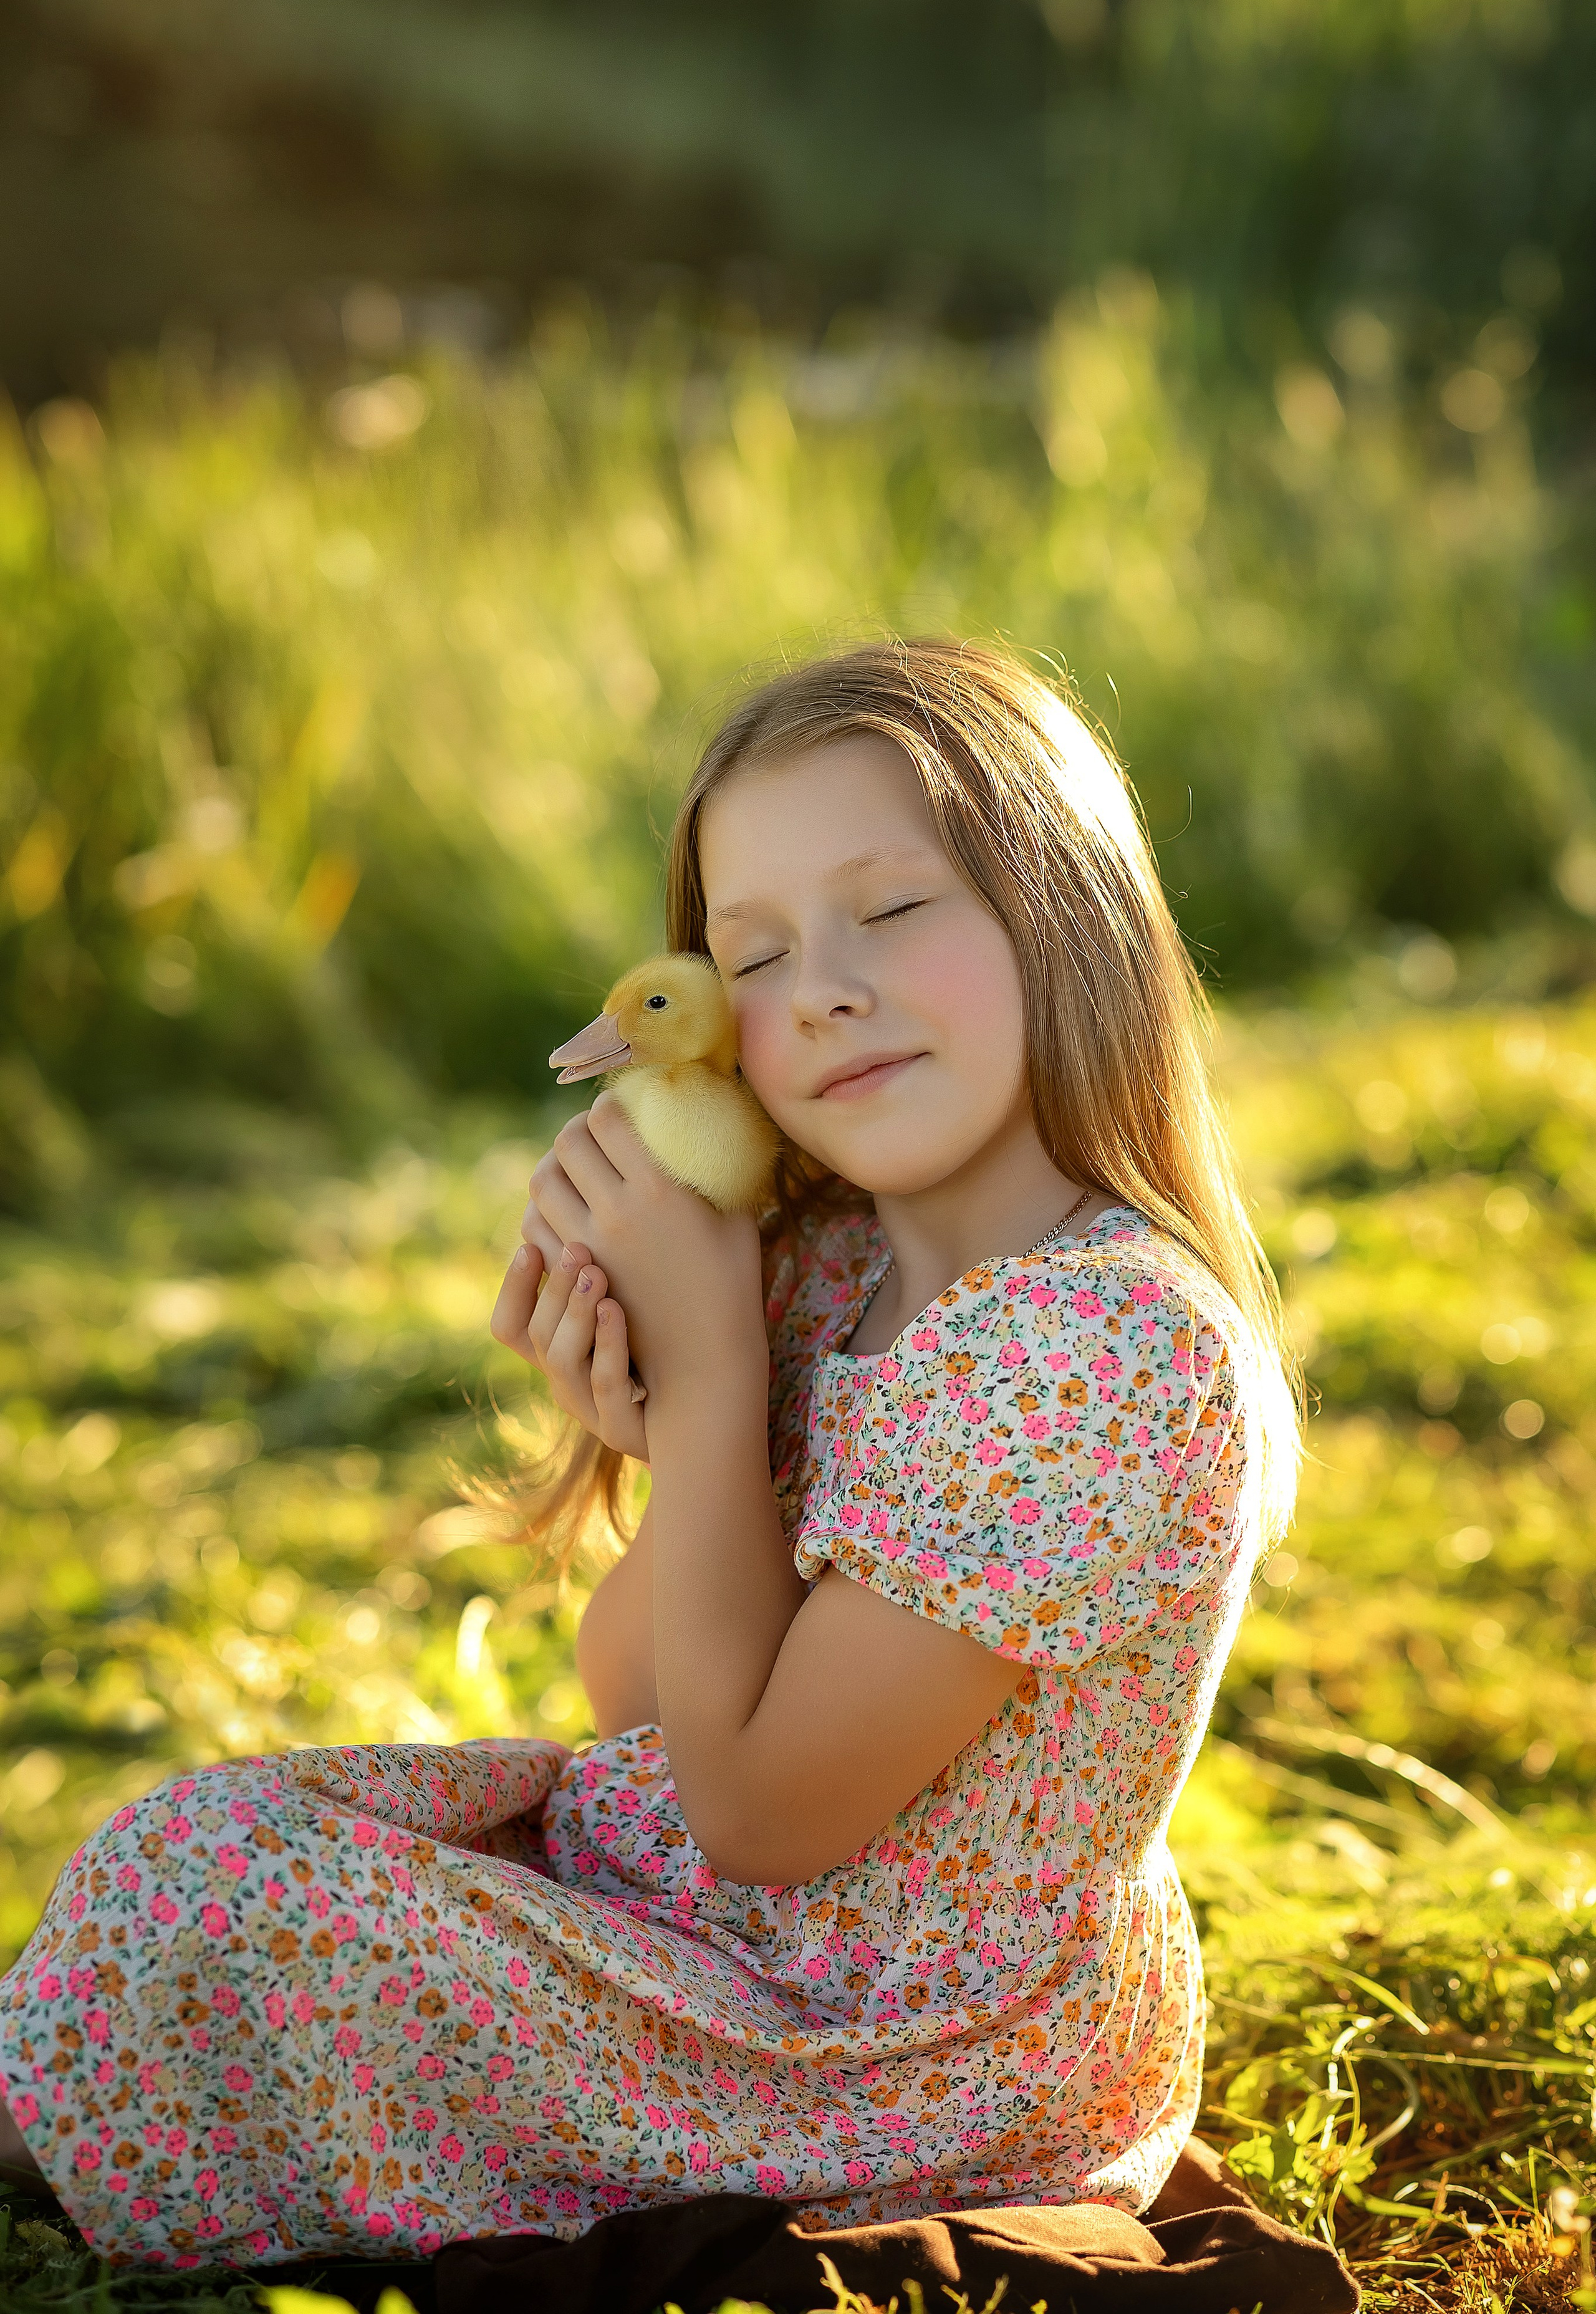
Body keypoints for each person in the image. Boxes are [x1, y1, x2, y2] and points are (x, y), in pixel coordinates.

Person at [0, 640, 1299, 2267]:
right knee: (198, 1860)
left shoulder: (1099, 1348)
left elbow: (755, 1809)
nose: (821, 987)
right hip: (743, 1949)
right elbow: (639, 1692)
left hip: (895, 2062)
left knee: (206, 1887)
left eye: (894, 911)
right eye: (750, 956)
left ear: (1070, 910)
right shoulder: (832, 1270)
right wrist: (693, 1422)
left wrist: (707, 1385)